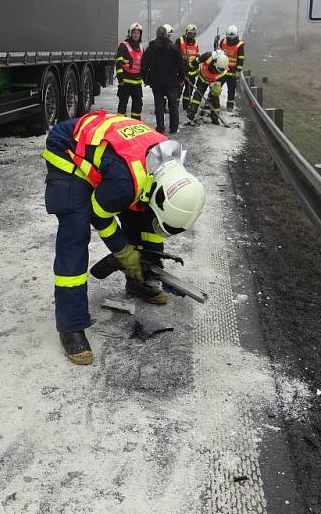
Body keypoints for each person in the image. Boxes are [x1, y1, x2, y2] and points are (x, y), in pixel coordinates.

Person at [43, 110, 206, 364]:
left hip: (115, 160)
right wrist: (123, 251)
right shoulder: (126, 182)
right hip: (67, 151)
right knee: (74, 232)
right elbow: (100, 215)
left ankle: (139, 280)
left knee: (142, 216)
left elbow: (145, 211)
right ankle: (70, 326)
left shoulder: (172, 169)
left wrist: (145, 259)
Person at [141, 25, 186, 134]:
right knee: (173, 105)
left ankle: (160, 128)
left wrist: (146, 79)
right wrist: (181, 78)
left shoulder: (150, 48)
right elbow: (181, 65)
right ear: (166, 35)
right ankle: (174, 128)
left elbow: (144, 65)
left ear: (156, 35)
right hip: (172, 81)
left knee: (159, 105)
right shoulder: (174, 48)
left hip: (156, 82)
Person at [188, 50, 229, 125]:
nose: (218, 71)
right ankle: (192, 112)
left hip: (214, 82)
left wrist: (214, 90)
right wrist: (189, 67)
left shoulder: (224, 71)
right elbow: (196, 61)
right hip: (202, 78)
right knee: (197, 95)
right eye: (217, 69)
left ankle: (215, 117)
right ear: (214, 62)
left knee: (215, 98)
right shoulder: (207, 56)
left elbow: (220, 83)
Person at [114, 23, 144, 120]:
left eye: (138, 33)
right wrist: (120, 78)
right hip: (125, 81)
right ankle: (120, 123)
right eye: (134, 32)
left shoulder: (141, 46)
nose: (136, 35)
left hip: (137, 81)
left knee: (138, 104)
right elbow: (118, 63)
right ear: (130, 33)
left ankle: (135, 123)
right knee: (123, 103)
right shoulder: (124, 46)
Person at [214, 25, 245, 112]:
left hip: (232, 72)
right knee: (216, 87)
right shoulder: (223, 41)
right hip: (222, 70)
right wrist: (215, 43)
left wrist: (238, 71)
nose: (230, 40)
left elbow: (241, 58)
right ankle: (211, 102)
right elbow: (217, 52)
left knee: (231, 90)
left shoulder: (239, 45)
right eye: (229, 37)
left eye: (232, 38)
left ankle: (230, 106)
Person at [174, 24, 200, 113]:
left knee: (189, 89)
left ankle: (186, 105)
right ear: (186, 33)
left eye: (193, 34)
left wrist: (195, 66)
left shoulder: (196, 42)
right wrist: (182, 58)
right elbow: (175, 53)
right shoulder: (180, 40)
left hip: (191, 70)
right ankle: (175, 105)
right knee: (178, 88)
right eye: (190, 33)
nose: (192, 35)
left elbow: (197, 55)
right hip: (181, 70)